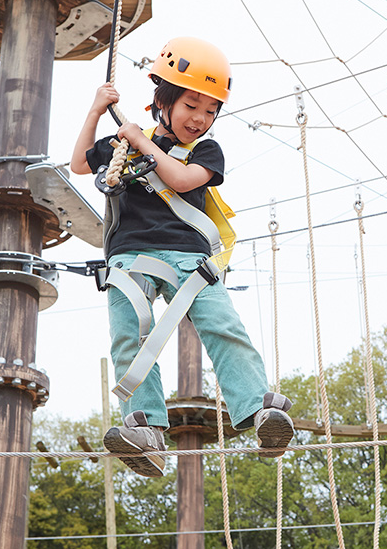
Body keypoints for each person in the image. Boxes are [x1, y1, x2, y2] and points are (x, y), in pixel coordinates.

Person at [70, 36, 294, 477]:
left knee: (223, 325)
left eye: (211, 110)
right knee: (130, 334)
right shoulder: (125, 146)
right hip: (130, 258)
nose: (201, 118)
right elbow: (79, 163)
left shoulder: (203, 152)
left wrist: (142, 141)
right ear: (163, 101)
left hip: (190, 257)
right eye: (192, 105)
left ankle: (257, 410)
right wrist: (98, 110)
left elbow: (183, 177)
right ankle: (146, 429)